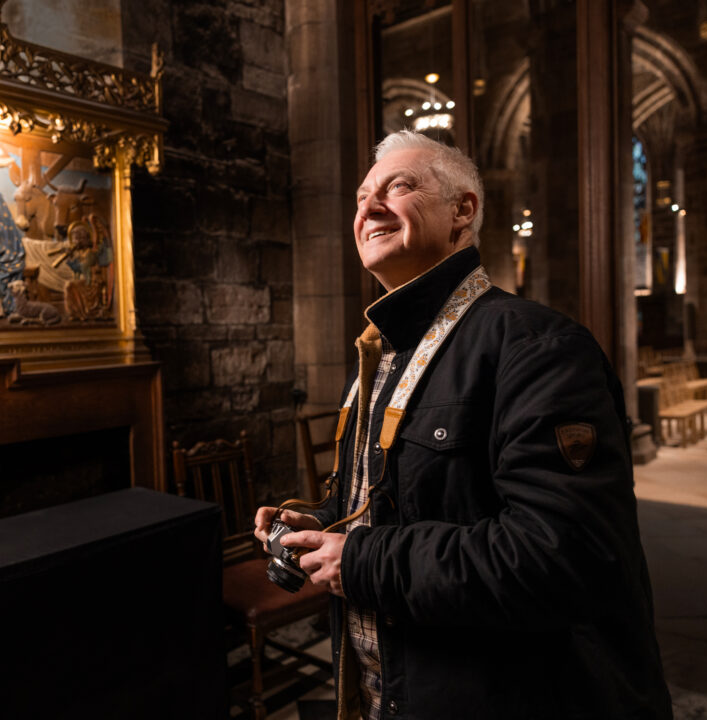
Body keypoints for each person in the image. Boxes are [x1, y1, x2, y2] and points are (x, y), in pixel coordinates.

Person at [254, 130, 672, 719]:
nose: (369, 207)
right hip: (393, 692)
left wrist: (361, 561)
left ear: (462, 211)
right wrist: (323, 523)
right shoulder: (380, 351)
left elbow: (563, 555)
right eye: (362, 197)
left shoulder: (537, 345)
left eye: (398, 187)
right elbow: (411, 499)